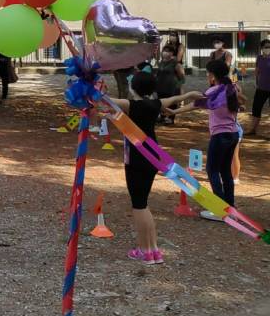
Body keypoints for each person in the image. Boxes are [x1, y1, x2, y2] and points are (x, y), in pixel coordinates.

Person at [103, 72, 203, 264]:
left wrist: (91, 87)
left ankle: (145, 251)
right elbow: (175, 98)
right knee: (143, 204)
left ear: (133, 88)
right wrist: (189, 94)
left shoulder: (132, 105)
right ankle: (153, 250)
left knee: (139, 205)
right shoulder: (155, 104)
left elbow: (104, 99)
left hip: (137, 159)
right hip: (152, 157)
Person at [174, 58, 245, 219]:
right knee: (225, 171)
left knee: (212, 170)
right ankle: (229, 207)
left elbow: (193, 104)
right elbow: (242, 100)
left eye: (208, 73)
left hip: (220, 136)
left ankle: (219, 209)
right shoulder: (232, 88)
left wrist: (173, 112)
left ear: (212, 75)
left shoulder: (214, 92)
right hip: (233, 134)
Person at [155, 46, 185, 124]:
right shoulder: (161, 62)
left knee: (171, 103)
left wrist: (179, 87)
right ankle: (162, 117)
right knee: (161, 103)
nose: (165, 53)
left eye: (168, 51)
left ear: (172, 53)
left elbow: (182, 77)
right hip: (161, 87)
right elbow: (158, 74)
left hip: (172, 88)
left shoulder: (176, 63)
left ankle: (170, 118)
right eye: (164, 51)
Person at [246, 38, 270, 137]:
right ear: (261, 48)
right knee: (256, 109)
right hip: (261, 88)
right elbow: (257, 71)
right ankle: (253, 129)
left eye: (269, 47)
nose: (268, 49)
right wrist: (256, 82)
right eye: (266, 47)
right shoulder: (259, 58)